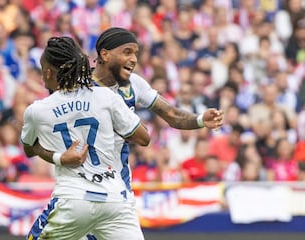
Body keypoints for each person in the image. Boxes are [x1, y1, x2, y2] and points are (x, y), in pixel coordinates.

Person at [28, 28, 224, 239]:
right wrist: (59, 156)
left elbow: (171, 114)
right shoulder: (78, 89)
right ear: (105, 55)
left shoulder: (133, 84)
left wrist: (199, 120)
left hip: (116, 191)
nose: (133, 59)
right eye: (127, 52)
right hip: (81, 189)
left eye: (135, 53)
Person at [21, 36, 149, 240]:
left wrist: (59, 158)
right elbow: (143, 137)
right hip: (115, 201)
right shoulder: (106, 97)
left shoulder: (37, 111)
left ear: (47, 72)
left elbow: (29, 148)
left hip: (73, 201)